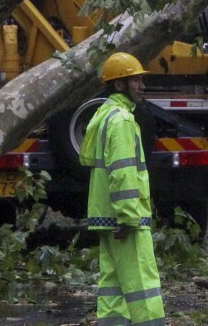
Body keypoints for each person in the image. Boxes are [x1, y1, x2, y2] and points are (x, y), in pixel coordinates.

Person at [81, 52, 163, 326]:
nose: (142, 85)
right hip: (125, 218)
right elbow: (123, 173)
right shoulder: (123, 121)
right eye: (135, 80)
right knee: (143, 285)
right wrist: (128, 216)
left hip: (106, 216)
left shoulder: (104, 115)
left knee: (113, 287)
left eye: (141, 79)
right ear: (119, 85)